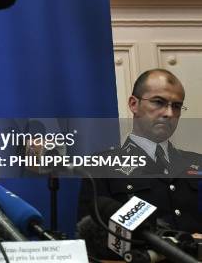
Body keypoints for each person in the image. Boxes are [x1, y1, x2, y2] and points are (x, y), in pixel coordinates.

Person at [78, 69, 202, 242]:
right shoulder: (101, 165)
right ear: (133, 104)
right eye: (159, 102)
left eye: (177, 106)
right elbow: (94, 237)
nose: (169, 113)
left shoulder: (196, 163)